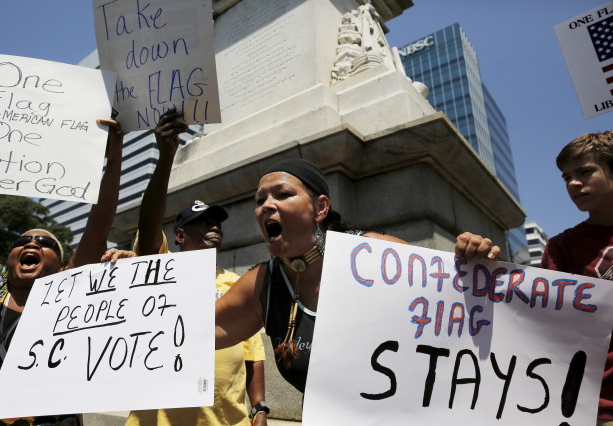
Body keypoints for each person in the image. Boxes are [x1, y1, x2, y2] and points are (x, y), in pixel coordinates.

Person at [214, 158, 497, 393]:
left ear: (320, 208)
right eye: (260, 199)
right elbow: (195, 332)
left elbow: (459, 310)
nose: (266, 205)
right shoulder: (263, 284)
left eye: (283, 194)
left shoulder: (378, 254)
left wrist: (475, 267)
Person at [106, 109, 268, 426]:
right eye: (202, 224)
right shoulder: (159, 270)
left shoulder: (239, 282)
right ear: (180, 235)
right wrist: (166, 157)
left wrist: (259, 407)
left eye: (217, 223)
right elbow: (150, 227)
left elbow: (253, 353)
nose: (214, 228)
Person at [0, 117, 124, 424]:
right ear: (10, 255)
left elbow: (98, 227)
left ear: (60, 262)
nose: (31, 244)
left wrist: (114, 160)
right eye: (22, 241)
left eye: (43, 242)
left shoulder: (69, 285)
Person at [540, 131, 613, 426]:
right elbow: (546, 323)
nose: (573, 183)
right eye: (565, 177)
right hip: (600, 405)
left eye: (585, 171)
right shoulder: (562, 247)